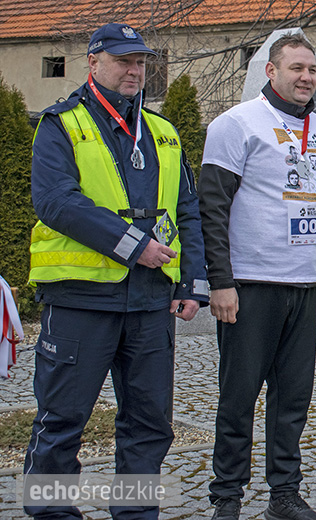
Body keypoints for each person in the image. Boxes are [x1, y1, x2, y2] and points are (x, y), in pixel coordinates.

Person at [24, 22, 208, 519]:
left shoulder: (164, 132)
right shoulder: (63, 123)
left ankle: (134, 514)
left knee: (149, 425)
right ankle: (53, 514)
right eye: (123, 60)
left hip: (150, 303)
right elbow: (56, 202)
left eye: (141, 61)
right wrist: (134, 245)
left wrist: (193, 282)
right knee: (62, 420)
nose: (134, 70)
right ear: (93, 62)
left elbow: (187, 210)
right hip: (82, 301)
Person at [199, 33, 316, 520]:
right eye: (295, 68)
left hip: (305, 285)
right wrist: (219, 281)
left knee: (293, 400)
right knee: (239, 398)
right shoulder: (236, 125)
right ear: (271, 71)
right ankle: (226, 496)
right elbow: (212, 208)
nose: (306, 77)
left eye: (312, 70)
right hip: (249, 285)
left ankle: (284, 494)